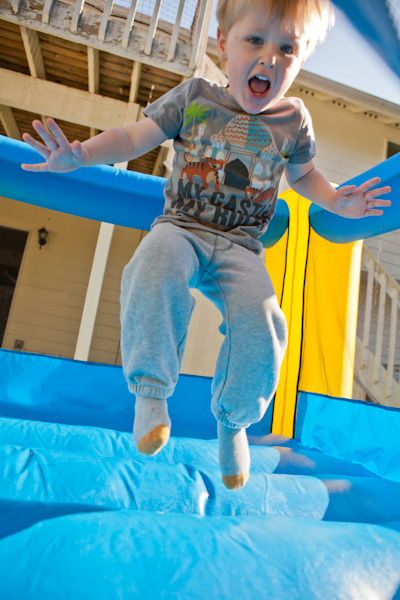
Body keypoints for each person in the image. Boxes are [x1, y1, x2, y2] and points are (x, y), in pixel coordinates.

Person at [21, 0, 391, 490]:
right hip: (182, 228)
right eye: (255, 41)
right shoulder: (195, 97)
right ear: (224, 44)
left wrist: (336, 201)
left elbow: (305, 176)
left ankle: (233, 424)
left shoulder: (293, 120)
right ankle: (151, 396)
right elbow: (135, 137)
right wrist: (81, 155)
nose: (270, 59)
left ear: (300, 62)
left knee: (266, 326)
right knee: (151, 266)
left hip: (241, 248)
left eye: (287, 49)